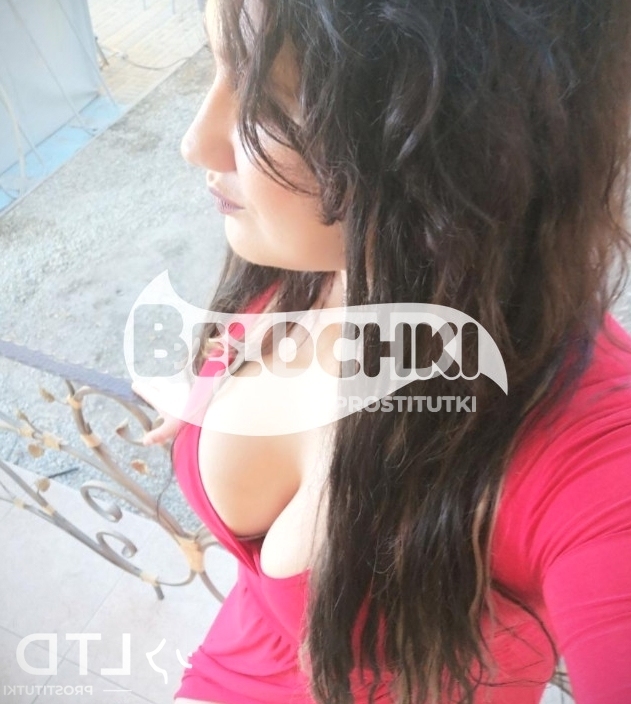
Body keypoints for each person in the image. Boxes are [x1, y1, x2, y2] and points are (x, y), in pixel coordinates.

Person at [132, 0, 631, 702]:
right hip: (230, 660)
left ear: (452, 138)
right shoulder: (310, 250)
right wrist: (212, 387)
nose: (196, 143)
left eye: (270, 101)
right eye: (214, 69)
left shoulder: (588, 455)